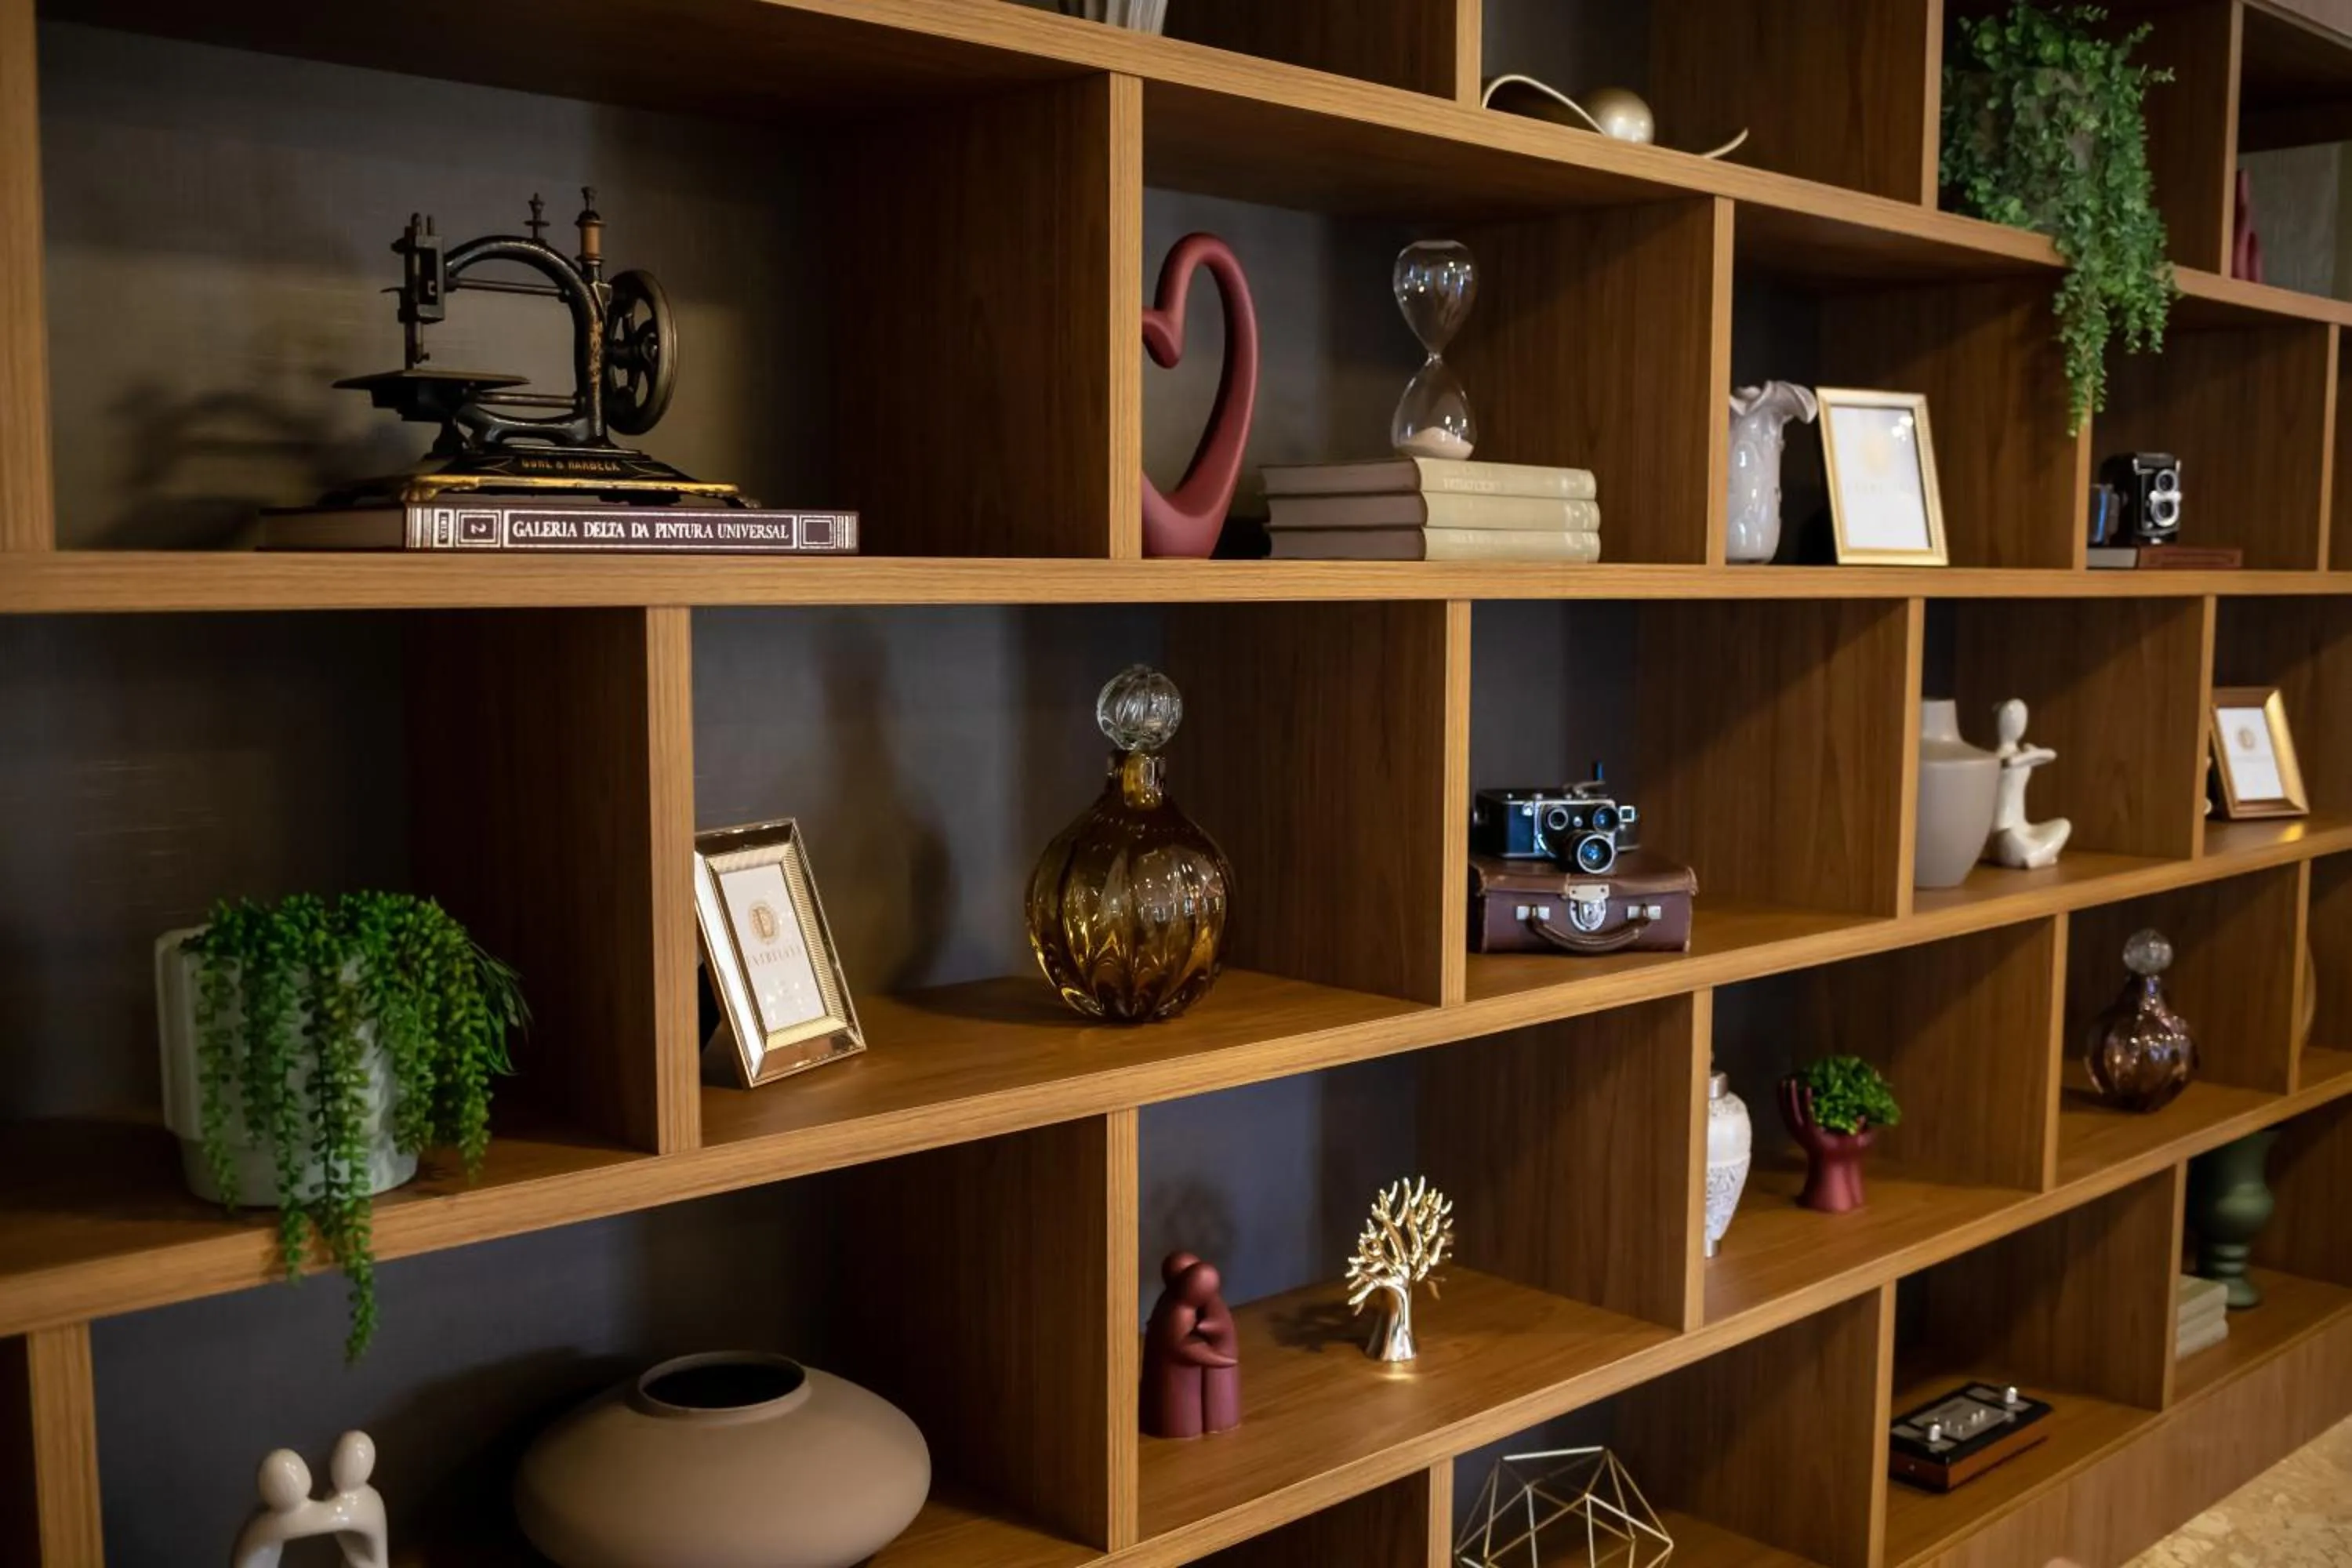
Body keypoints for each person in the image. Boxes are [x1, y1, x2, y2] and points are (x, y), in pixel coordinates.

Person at [1142, 1251, 1240, 1439]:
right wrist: (1217, 1358)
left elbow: (1219, 1323)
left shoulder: (1184, 1304)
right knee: (1181, 1408)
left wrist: (1210, 1329)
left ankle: (1213, 1421)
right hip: (1175, 1374)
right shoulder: (1178, 1310)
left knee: (1213, 1396)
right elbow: (1180, 1346)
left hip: (1199, 1370)